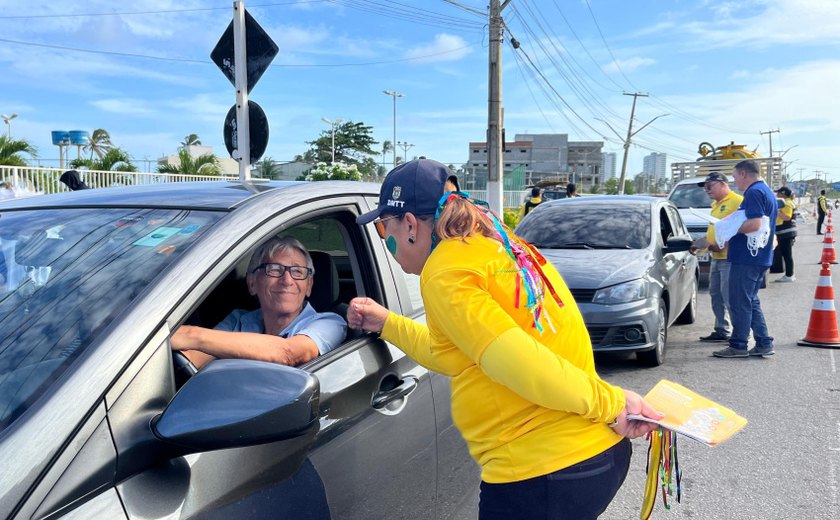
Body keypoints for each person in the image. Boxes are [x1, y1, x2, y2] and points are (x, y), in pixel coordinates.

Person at [347, 159, 662, 519]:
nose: (382, 239)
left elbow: (516, 358)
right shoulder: (495, 245)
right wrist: (386, 323)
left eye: (381, 227)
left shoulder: (446, 271)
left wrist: (612, 403)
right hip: (586, 457)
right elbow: (450, 353)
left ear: (409, 225)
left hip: (544, 473)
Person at [171, 236, 346, 368]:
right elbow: (192, 361)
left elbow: (287, 353)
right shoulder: (239, 320)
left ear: (309, 286)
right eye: (274, 269)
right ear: (252, 283)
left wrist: (191, 335)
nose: (287, 280)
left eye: (298, 272)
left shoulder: (329, 323)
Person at [713, 160, 777, 359]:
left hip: (748, 258)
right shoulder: (765, 191)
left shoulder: (754, 192)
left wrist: (729, 228)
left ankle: (738, 345)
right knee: (750, 301)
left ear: (743, 174)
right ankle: (763, 342)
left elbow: (755, 224)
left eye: (734, 177)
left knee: (740, 302)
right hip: (758, 257)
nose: (734, 181)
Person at [696, 172, 743, 343]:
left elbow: (742, 229)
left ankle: (740, 335)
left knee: (730, 296)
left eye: (710, 186)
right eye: (705, 188)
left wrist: (724, 245)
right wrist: (699, 246)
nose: (707, 190)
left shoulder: (737, 201)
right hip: (716, 257)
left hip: (730, 258)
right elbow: (715, 231)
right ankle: (722, 329)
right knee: (715, 295)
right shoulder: (716, 205)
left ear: (723, 184)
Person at [771, 186, 797, 282]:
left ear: (783, 194)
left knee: (787, 254)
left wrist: (776, 211)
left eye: (778, 193)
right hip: (785, 232)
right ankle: (789, 274)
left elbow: (787, 217)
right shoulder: (789, 202)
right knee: (786, 254)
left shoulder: (786, 203)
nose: (777, 194)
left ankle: (789, 275)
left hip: (785, 232)